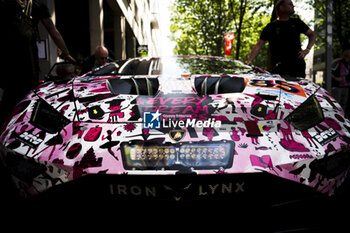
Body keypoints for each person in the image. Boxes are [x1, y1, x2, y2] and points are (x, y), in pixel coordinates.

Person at [0, 0, 75, 124]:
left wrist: (66, 53)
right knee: (25, 100)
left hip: (15, 62)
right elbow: (53, 32)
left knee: (12, 101)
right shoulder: (35, 6)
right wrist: (66, 54)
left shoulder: (14, 5)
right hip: (25, 63)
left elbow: (54, 32)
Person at [247, 0, 316, 78]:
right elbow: (259, 45)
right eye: (290, 4)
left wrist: (307, 49)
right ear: (281, 7)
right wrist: (249, 61)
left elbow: (312, 34)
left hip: (296, 67)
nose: (293, 6)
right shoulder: (270, 27)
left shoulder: (297, 22)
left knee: (296, 89)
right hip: (278, 68)